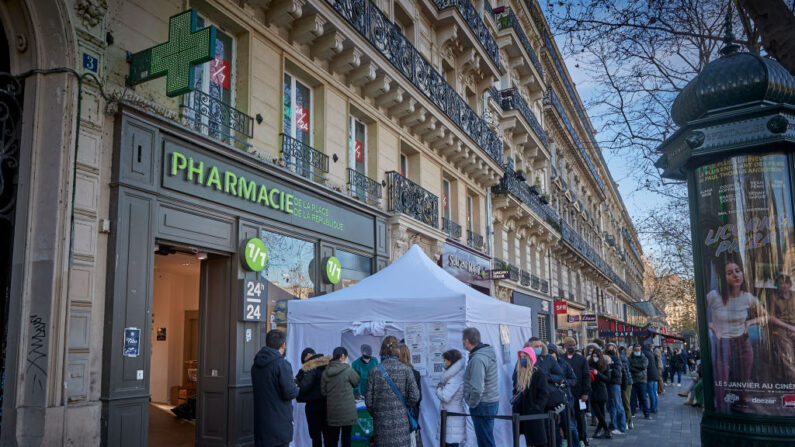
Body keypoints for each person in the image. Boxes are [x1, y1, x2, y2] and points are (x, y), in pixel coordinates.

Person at [706, 257, 768, 412]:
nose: (735, 275)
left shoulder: (747, 297)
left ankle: (740, 411)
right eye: (729, 273)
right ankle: (722, 414)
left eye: (737, 271)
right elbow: (699, 314)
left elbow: (766, 316)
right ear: (723, 277)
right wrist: (711, 326)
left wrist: (750, 322)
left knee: (743, 382)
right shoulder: (714, 296)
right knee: (721, 382)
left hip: (743, 343)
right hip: (723, 344)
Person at [366, 336, 420, 447]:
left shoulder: (374, 371)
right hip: (401, 423)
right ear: (397, 350)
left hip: (381, 424)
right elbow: (415, 396)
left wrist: (378, 413)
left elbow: (368, 401)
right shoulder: (406, 370)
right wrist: (404, 406)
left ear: (382, 350)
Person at [251, 329, 299, 447]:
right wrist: (296, 386)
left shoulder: (256, 364)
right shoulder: (282, 364)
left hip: (261, 422)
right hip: (279, 423)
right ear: (283, 345)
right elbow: (289, 393)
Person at [462, 327, 500, 447]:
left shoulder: (478, 359)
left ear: (467, 341)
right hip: (490, 401)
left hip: (482, 404)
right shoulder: (486, 353)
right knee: (487, 438)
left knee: (485, 441)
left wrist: (472, 403)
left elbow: (477, 387)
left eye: (463, 340)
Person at [322, 347, 361, 447]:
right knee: (346, 438)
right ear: (343, 357)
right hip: (347, 412)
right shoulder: (348, 370)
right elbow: (356, 381)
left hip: (332, 411)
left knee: (333, 439)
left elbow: (323, 392)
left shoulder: (326, 372)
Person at [512, 347, 549, 447]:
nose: (522, 359)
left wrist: (537, 408)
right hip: (521, 411)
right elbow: (515, 390)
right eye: (521, 357)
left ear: (530, 357)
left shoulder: (538, 373)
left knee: (538, 441)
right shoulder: (518, 373)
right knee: (526, 439)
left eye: (525, 357)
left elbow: (544, 393)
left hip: (534, 412)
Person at [296, 348, 331, 447]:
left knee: (316, 436)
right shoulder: (328, 364)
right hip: (328, 405)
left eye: (304, 360)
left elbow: (304, 387)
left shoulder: (311, 367)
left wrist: (296, 381)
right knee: (328, 435)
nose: (304, 364)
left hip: (313, 406)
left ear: (308, 355)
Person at [548, 343, 580, 447]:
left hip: (564, 399)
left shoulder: (564, 364)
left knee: (569, 425)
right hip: (551, 400)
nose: (550, 355)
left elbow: (574, 380)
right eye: (548, 353)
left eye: (552, 352)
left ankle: (576, 445)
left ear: (556, 353)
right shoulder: (545, 364)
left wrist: (564, 382)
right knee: (553, 426)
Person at [561, 337, 590, 446]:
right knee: (568, 417)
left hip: (579, 393)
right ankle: (570, 439)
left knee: (580, 416)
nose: (571, 347)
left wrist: (585, 392)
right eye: (569, 345)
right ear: (565, 346)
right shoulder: (561, 358)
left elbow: (587, 376)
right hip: (566, 394)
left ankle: (583, 438)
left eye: (573, 345)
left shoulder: (581, 359)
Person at [436, 349, 466, 447]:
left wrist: (438, 389)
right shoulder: (455, 375)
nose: (444, 363)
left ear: (452, 361)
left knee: (451, 444)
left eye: (446, 360)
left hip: (452, 418)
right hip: (452, 416)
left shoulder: (455, 377)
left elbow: (445, 396)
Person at [769, 274, 795, 383]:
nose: (784, 285)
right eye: (781, 283)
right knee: (788, 357)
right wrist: (789, 327)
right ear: (777, 285)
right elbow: (770, 317)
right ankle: (793, 382)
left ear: (790, 284)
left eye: (786, 283)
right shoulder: (773, 297)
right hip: (781, 326)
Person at [399, 343, 423, 446]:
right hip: (411, 413)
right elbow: (418, 397)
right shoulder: (415, 373)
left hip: (397, 414)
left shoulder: (392, 373)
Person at [588, 348, 611, 439]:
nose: (595, 358)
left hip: (602, 391)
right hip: (593, 391)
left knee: (602, 413)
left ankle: (600, 430)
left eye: (596, 356)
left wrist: (598, 374)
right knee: (598, 413)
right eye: (593, 356)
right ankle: (606, 430)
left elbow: (607, 379)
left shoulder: (605, 366)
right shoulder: (589, 364)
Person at [605, 344, 626, 435]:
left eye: (612, 348)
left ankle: (621, 427)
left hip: (614, 383)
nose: (610, 349)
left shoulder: (617, 359)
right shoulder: (605, 358)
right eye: (608, 348)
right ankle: (613, 424)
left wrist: (609, 368)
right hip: (608, 383)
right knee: (611, 406)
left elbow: (617, 372)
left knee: (618, 405)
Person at [629, 344, 650, 420]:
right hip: (633, 380)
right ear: (633, 350)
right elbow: (629, 367)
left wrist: (633, 367)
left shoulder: (644, 358)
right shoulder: (630, 358)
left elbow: (643, 366)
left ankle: (646, 414)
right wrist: (638, 368)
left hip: (642, 380)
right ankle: (632, 412)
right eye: (635, 350)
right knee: (632, 398)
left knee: (643, 398)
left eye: (638, 350)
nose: (637, 351)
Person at [618, 346, 633, 429]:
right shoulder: (625, 358)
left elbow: (625, 374)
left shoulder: (622, 359)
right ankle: (628, 420)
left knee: (626, 402)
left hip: (626, 383)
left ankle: (628, 421)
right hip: (626, 382)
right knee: (626, 403)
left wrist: (624, 385)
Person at [642, 343, 660, 412]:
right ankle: (655, 407)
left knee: (651, 392)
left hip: (650, 375)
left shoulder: (645, 353)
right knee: (654, 392)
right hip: (655, 374)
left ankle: (653, 408)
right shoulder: (651, 353)